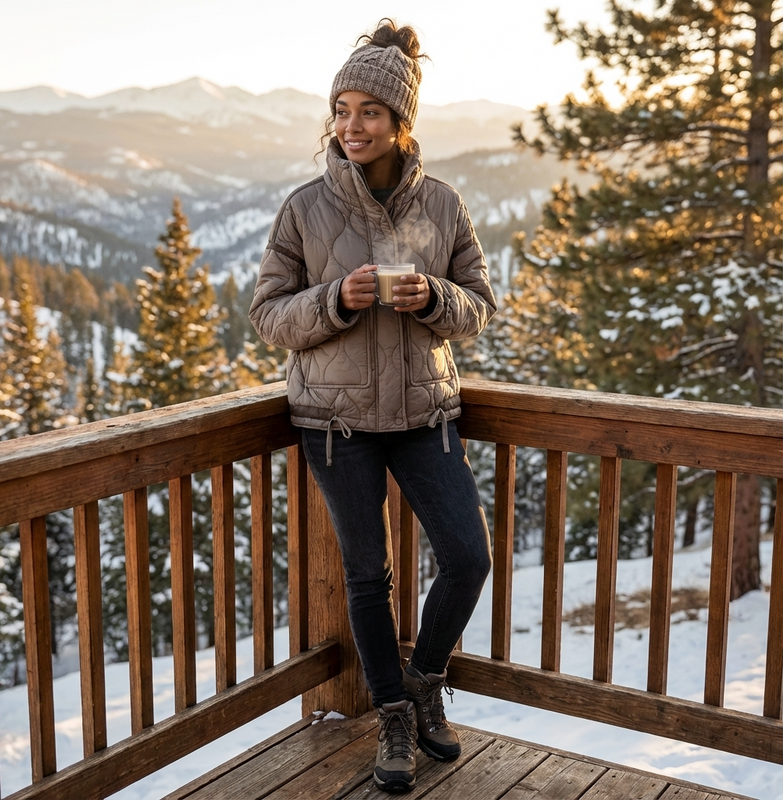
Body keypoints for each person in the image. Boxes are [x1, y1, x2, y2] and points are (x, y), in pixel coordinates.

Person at [249, 18, 496, 794]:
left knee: (468, 556)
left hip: (427, 417)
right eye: (343, 109)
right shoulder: (304, 208)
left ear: (401, 123)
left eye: (370, 112)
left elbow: (480, 307)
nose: (351, 125)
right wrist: (333, 300)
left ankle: (424, 680)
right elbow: (267, 315)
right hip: (337, 426)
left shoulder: (445, 205)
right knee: (368, 577)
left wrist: (434, 297)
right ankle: (392, 712)